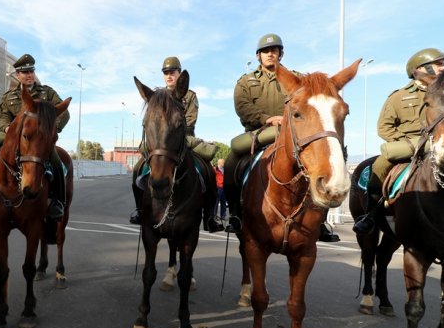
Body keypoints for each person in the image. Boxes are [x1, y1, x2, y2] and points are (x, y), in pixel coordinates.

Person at [225, 33, 340, 241]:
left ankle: (319, 221)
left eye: (274, 50)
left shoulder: (297, 79)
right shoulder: (246, 81)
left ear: (280, 54)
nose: (270, 54)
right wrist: (268, 119)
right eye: (266, 51)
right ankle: (235, 214)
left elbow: (309, 103)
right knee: (233, 159)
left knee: (321, 159)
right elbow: (242, 107)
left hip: (292, 133)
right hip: (258, 132)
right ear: (258, 56)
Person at [353, 47, 444, 234]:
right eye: (439, 64)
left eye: (443, 64)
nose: (443, 68)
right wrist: (407, 144)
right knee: (379, 167)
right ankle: (371, 215)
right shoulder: (398, 97)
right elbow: (384, 127)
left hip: (442, 144)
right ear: (421, 68)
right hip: (410, 146)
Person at [129, 56, 223, 233]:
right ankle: (140, 210)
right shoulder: (158, 96)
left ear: (180, 73)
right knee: (138, 169)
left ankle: (210, 216)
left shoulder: (190, 95)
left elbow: (190, 120)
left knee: (208, 170)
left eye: (172, 72)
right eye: (166, 73)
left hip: (183, 138)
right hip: (161, 140)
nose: (169, 76)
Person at [0, 54, 70, 222]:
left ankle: (58, 201)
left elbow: (63, 113)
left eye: (31, 71)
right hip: (14, 138)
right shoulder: (8, 97)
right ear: (18, 75)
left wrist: (51, 129)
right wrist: (7, 128)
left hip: (39, 141)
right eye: (25, 72)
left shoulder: (47, 93)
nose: (29, 75)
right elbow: (2, 117)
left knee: (57, 163)